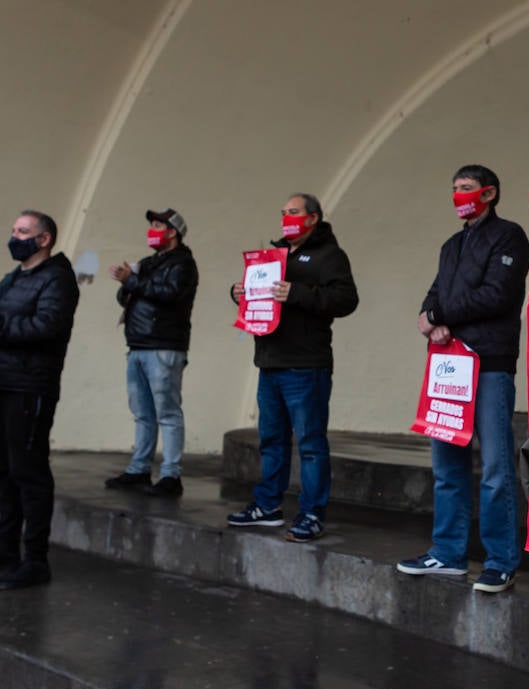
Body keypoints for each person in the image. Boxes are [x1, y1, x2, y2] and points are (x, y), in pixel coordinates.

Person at [396, 165, 529, 594]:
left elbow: (498, 294)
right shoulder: (451, 245)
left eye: (466, 189)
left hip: (489, 362)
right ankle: (448, 553)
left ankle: (501, 561)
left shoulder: (509, 236)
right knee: (446, 464)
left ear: (489, 193)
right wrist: (432, 318)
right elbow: (434, 295)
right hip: (448, 364)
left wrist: (439, 316)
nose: (458, 195)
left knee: (495, 467)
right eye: (454, 189)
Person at [0, 211, 79, 590]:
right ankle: (6, 548)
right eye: (13, 230)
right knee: (2, 470)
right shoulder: (13, 278)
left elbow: (46, 328)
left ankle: (36, 559)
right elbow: (3, 324)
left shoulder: (57, 278)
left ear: (44, 239)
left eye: (23, 232)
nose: (15, 237)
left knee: (29, 471)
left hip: (29, 386)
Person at [226, 193, 358, 542]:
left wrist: (297, 293)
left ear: (313, 217)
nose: (286, 218)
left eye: (294, 212)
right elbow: (261, 296)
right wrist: (239, 293)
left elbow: (346, 300)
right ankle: (268, 505)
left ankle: (312, 513)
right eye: (283, 212)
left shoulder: (330, 255)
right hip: (270, 361)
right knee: (271, 440)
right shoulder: (274, 255)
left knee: (311, 444)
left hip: (305, 365)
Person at [103, 208, 199, 497]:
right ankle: (139, 469)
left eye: (158, 225)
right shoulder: (147, 263)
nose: (152, 230)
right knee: (142, 413)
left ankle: (171, 475)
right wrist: (127, 282)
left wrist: (131, 280)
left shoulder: (183, 264)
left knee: (167, 412)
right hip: (139, 346)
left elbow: (169, 294)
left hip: (164, 346)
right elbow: (127, 298)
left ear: (173, 232)